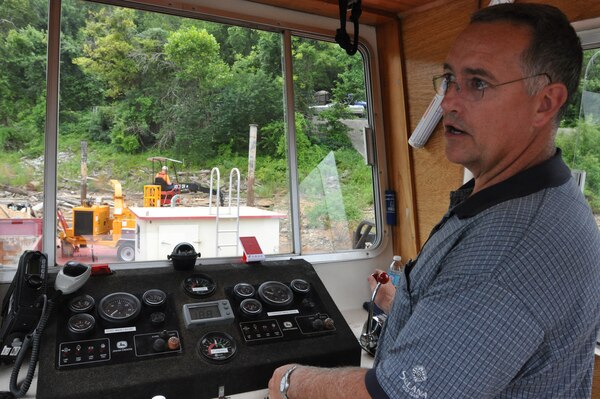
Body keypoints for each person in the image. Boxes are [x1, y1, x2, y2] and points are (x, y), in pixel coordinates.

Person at [267, 3, 600, 398]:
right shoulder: (537, 196)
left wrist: (288, 380)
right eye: (449, 79)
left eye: (477, 83)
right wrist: (408, 304)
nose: (448, 103)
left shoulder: (505, 250)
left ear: (545, 102)